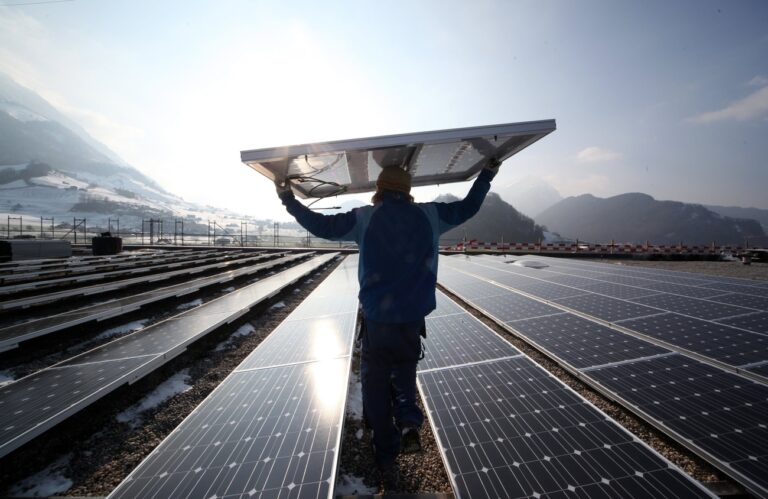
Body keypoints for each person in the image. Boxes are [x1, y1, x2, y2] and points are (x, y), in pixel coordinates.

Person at [275, 157, 500, 490]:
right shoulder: (430, 215)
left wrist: (288, 200)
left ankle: (386, 452)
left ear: (379, 191)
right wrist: (487, 175)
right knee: (405, 369)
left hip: (379, 320)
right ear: (408, 192)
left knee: (376, 385)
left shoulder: (366, 218)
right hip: (412, 317)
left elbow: (321, 226)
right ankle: (408, 419)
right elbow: (468, 208)